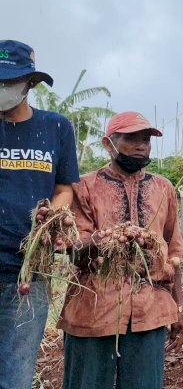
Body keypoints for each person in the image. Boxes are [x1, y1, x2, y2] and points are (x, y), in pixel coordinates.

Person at [58, 111, 183, 389]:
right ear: (109, 143)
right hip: (93, 308)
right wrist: (104, 240)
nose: (142, 145)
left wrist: (179, 308)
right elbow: (74, 249)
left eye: (146, 139)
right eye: (131, 138)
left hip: (149, 311)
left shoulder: (163, 188)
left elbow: (174, 253)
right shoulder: (84, 186)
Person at [0, 39, 78, 389]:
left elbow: (64, 188)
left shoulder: (56, 127)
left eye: (9, 82)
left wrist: (50, 218)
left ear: (29, 83)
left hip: (26, 278)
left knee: (15, 377)